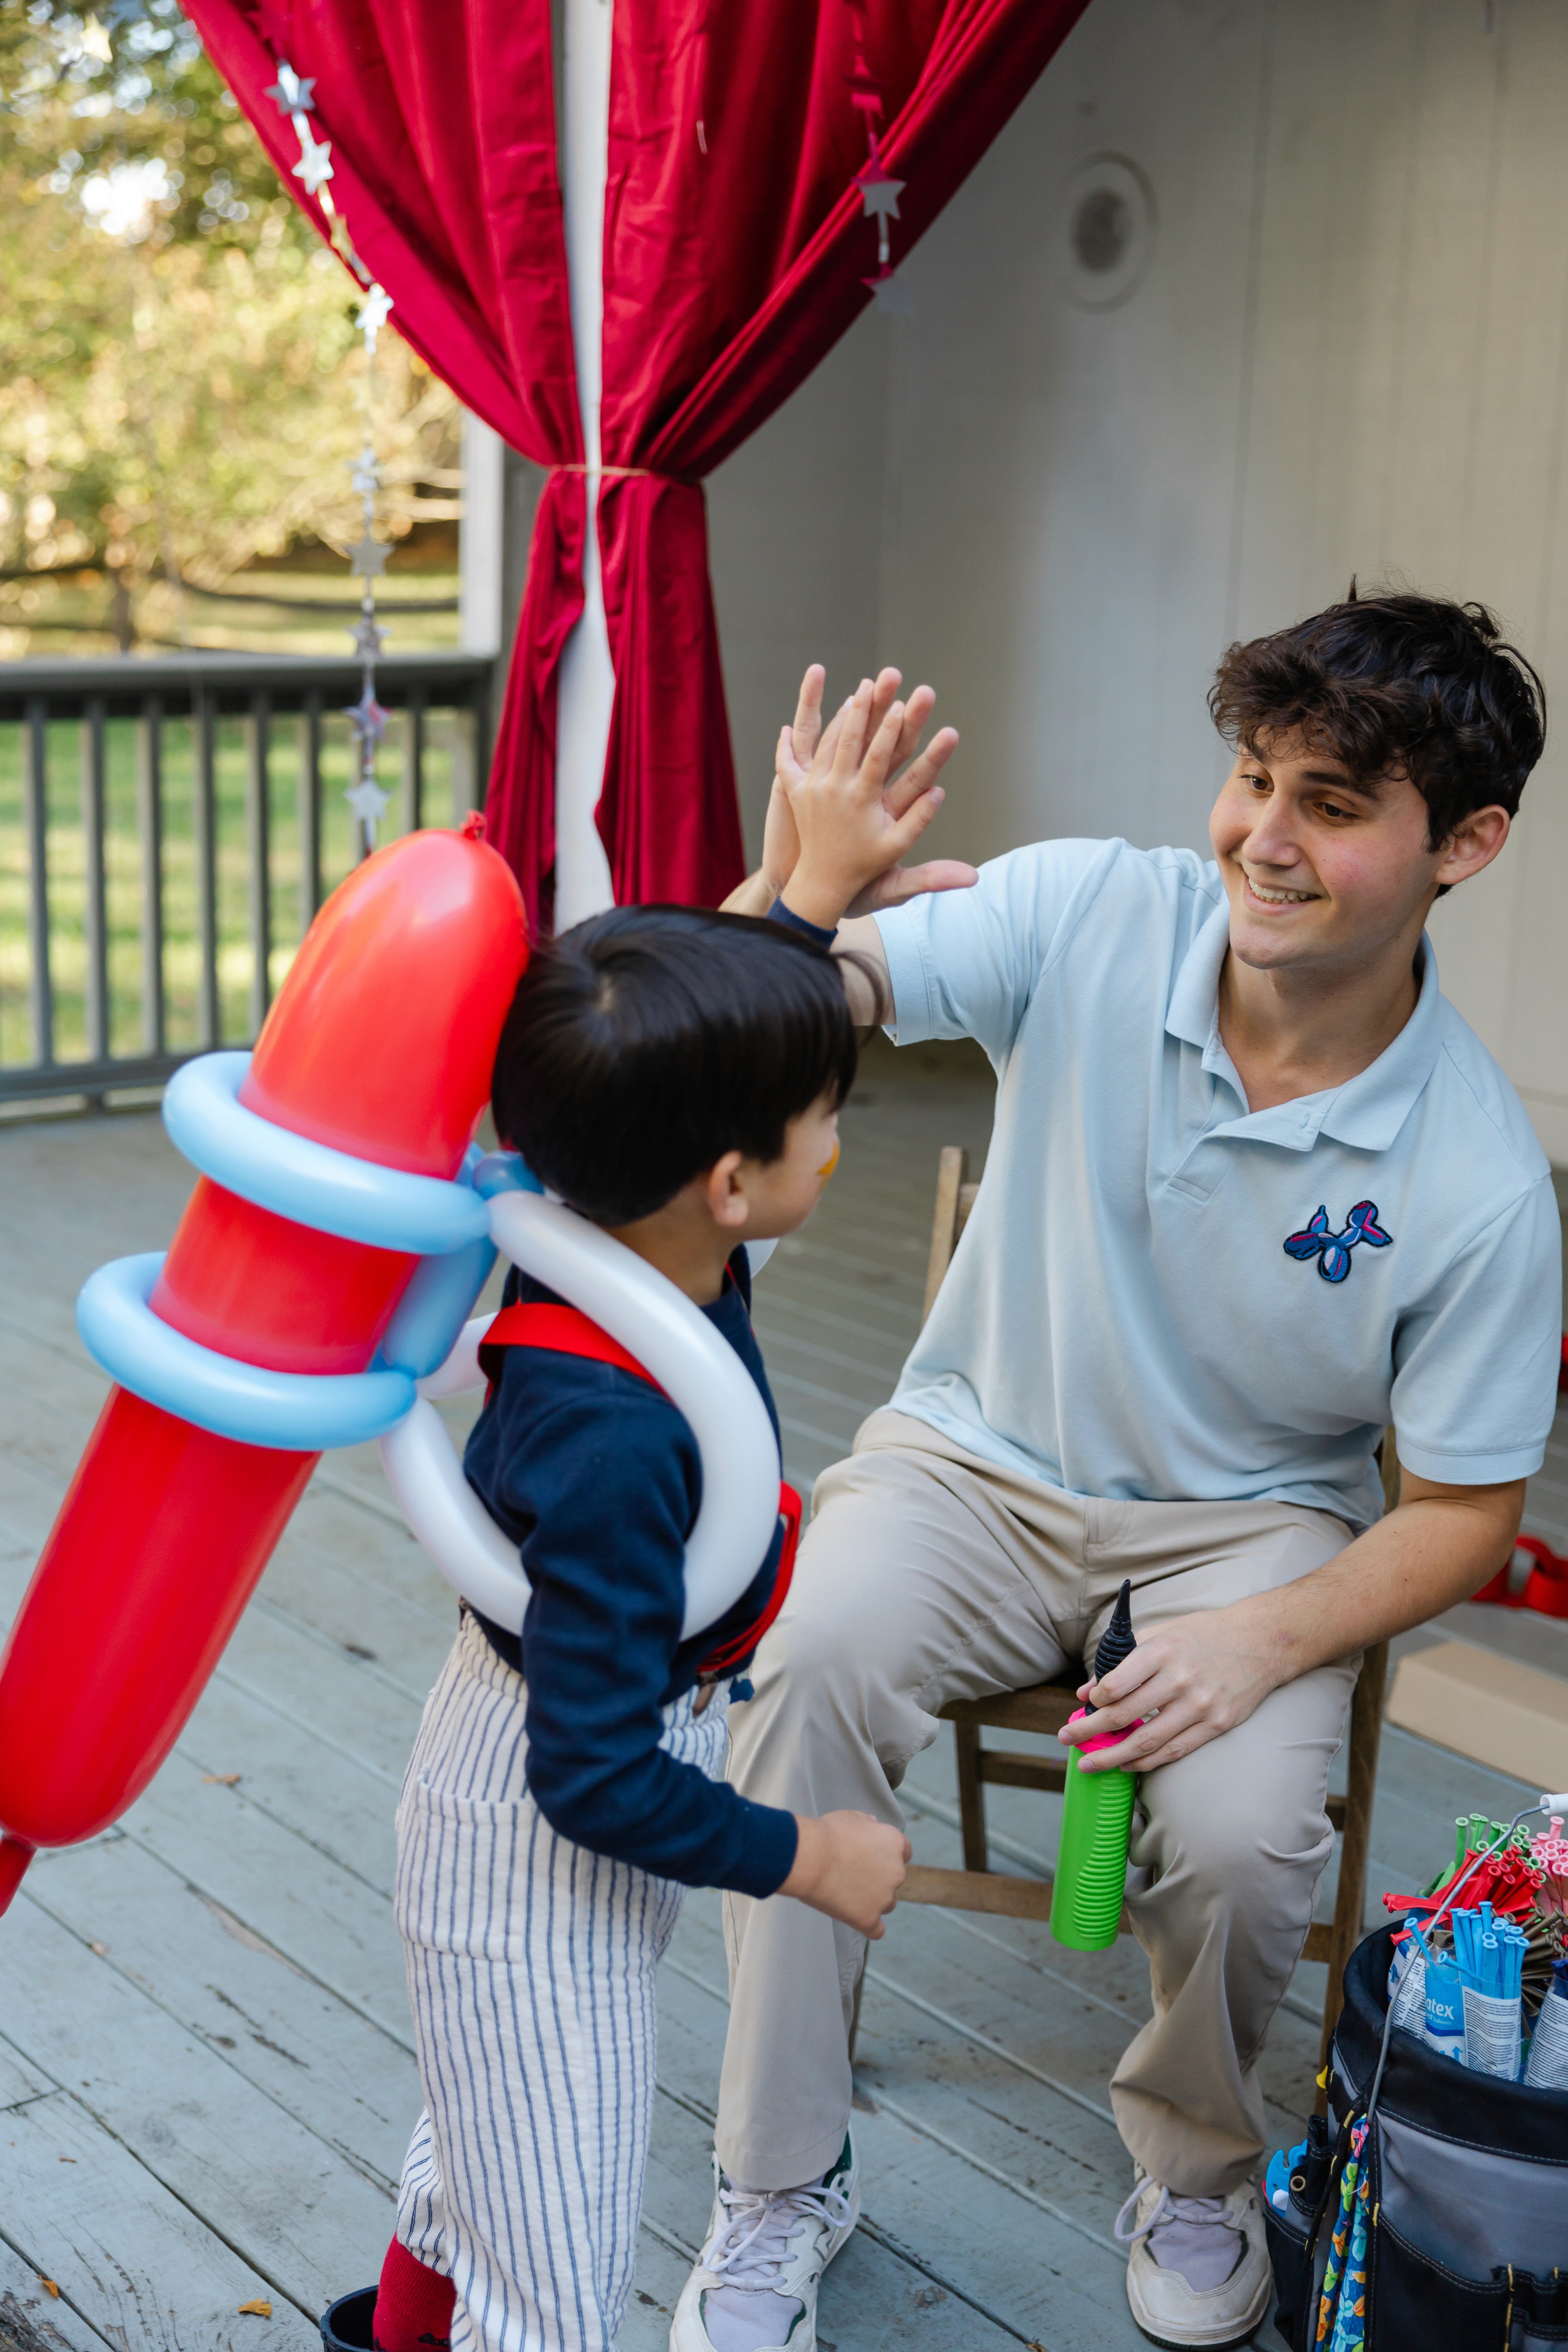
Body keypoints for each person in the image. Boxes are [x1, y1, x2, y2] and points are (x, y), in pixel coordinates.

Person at [675, 591, 1563, 2352]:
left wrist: (1261, 1640)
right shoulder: (1093, 909)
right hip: (971, 1462)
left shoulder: (1473, 1170)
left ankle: (1196, 2170)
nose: (1264, 838)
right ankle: (779, 2179)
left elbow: (1466, 1515)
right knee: (796, 1667)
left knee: (1240, 1837)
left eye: (1331, 801)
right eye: (1250, 779)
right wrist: (802, 895)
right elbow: (754, 1022)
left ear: (1464, 844)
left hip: (1252, 1530)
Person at [363, 907, 917, 2352]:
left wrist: (803, 903)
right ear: (731, 1182)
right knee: (552, 2266)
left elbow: (676, 1044)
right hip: (538, 1863)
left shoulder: (634, 1240)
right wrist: (808, 1855)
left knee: (480, 2157)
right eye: (826, 1117)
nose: (840, 1142)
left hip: (557, 1789)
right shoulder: (614, 1440)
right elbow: (592, 1777)